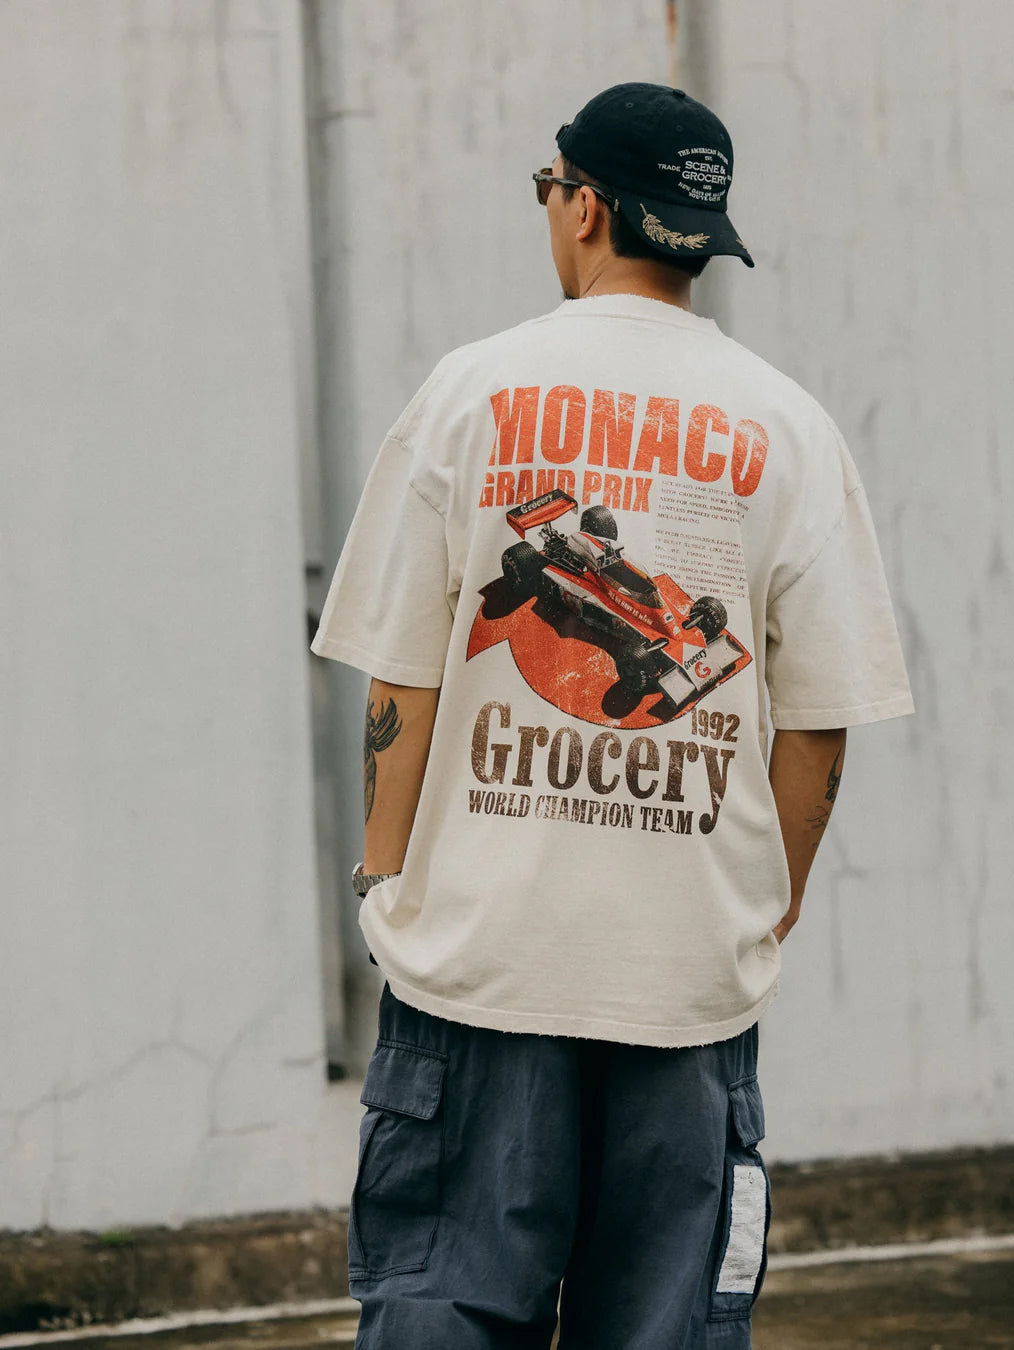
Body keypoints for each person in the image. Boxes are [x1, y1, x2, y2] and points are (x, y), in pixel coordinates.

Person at [311, 82, 914, 1350]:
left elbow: (403, 680)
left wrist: (382, 877)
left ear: (585, 206)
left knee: (440, 1315)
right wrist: (763, 906)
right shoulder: (792, 430)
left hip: (480, 965)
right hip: (685, 985)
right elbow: (821, 724)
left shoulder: (470, 393)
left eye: (550, 191)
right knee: (664, 1331)